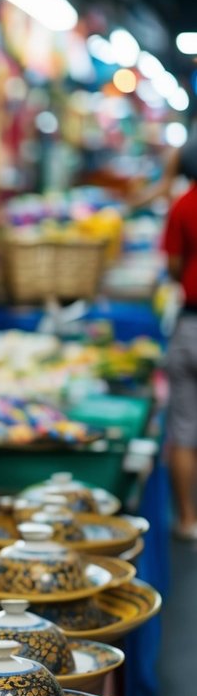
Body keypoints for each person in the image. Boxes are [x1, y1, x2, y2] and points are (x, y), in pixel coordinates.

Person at [162, 148, 197, 538]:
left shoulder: (183, 205)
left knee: (185, 429)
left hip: (191, 324)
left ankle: (187, 519)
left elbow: (172, 265)